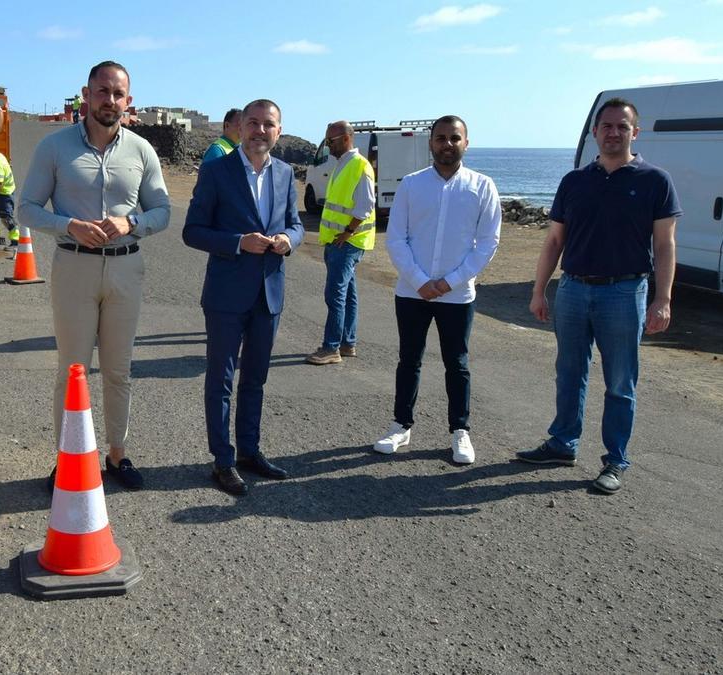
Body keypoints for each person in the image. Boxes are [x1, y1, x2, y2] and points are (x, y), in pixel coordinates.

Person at [19, 61, 171, 490]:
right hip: (74, 269)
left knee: (119, 370)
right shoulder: (54, 147)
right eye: (102, 92)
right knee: (73, 370)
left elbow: (162, 211)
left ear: (129, 100)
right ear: (86, 95)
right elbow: (26, 207)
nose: (110, 101)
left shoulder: (142, 150)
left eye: (118, 94)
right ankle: (68, 457)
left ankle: (117, 455)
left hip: (126, 268)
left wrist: (132, 223)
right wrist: (69, 225)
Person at [516, 97, 680, 494]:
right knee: (569, 372)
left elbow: (666, 245)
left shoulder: (655, 180)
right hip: (573, 288)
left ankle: (615, 460)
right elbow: (555, 240)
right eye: (606, 126)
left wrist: (663, 299)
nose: (613, 132)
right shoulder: (575, 181)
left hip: (625, 292)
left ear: (635, 133)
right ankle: (562, 443)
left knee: (620, 381)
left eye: (622, 127)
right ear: (594, 132)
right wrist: (539, 290)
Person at [182, 99, 304, 496]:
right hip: (225, 294)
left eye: (268, 125)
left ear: (278, 131)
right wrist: (238, 243)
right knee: (221, 379)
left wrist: (289, 240)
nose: (259, 131)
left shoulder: (285, 173)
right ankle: (223, 460)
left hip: (269, 292)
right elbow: (193, 231)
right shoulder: (217, 170)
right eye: (253, 123)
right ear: (239, 127)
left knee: (256, 378)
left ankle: (250, 451)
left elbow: (296, 224)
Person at [374, 115, 500, 465]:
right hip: (412, 292)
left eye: (454, 138)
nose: (447, 144)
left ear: (466, 143)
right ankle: (401, 425)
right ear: (430, 143)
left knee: (456, 363)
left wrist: (449, 282)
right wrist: (419, 280)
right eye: (441, 138)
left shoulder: (482, 186)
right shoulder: (412, 185)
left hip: (457, 295)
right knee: (408, 360)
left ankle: (460, 431)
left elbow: (487, 243)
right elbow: (396, 237)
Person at [305, 120, 376, 365]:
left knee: (335, 294)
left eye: (330, 141)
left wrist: (347, 232)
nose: (327, 145)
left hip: (347, 242)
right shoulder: (342, 164)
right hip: (340, 241)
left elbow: (366, 205)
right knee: (347, 294)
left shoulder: (359, 166)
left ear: (346, 138)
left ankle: (331, 347)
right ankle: (347, 343)